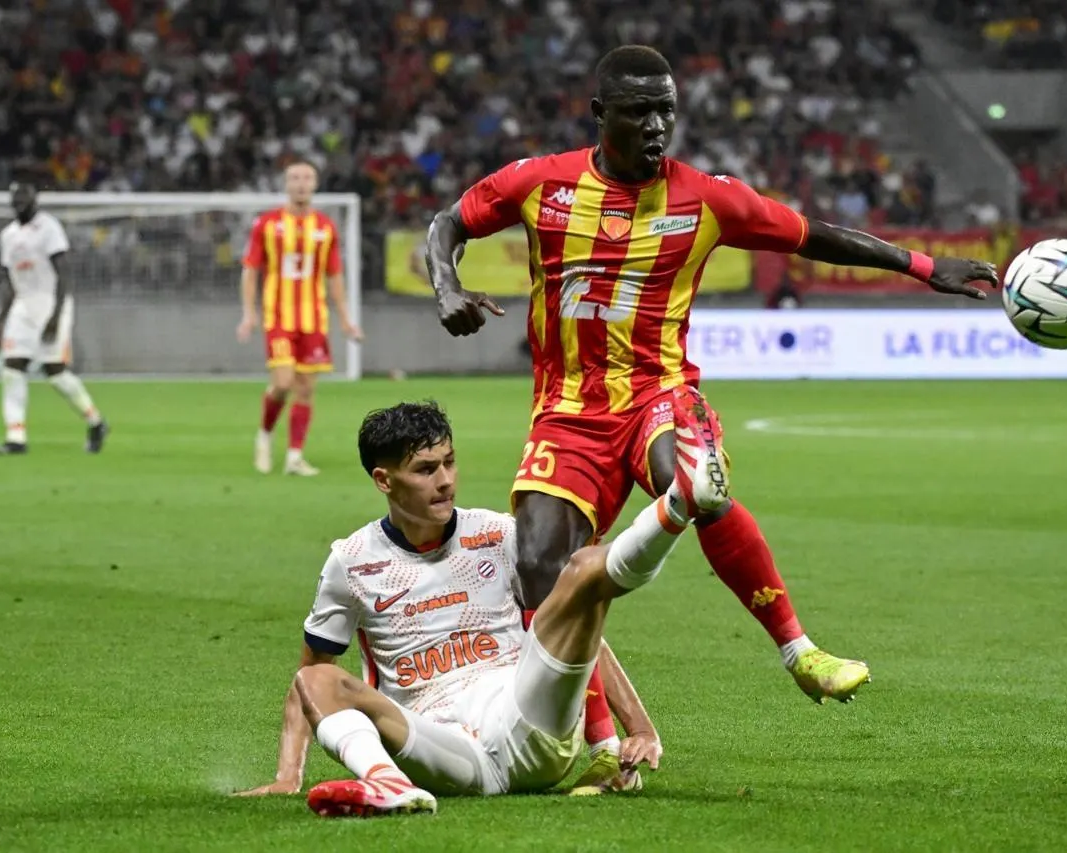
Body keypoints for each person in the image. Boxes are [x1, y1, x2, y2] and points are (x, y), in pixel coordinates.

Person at [425, 44, 998, 788]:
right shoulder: (541, 183)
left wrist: (922, 267)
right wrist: (446, 287)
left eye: (666, 110)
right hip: (568, 412)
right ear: (600, 115)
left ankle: (800, 651)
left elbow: (810, 233)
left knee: (695, 480)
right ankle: (603, 744)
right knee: (539, 568)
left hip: (659, 392)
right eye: (638, 112)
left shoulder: (705, 198)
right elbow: (448, 223)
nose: (656, 126)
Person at [237, 389, 796, 815]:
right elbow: (310, 682)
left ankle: (678, 505)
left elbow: (579, 636)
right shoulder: (352, 560)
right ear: (385, 480)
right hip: (437, 747)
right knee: (315, 678)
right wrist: (289, 775)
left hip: (527, 719)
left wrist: (640, 728)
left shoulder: (496, 534)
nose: (445, 481)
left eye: (449, 462)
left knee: (580, 571)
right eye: (426, 470)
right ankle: (389, 784)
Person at [237, 161, 363, 477]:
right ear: (286, 184)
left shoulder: (325, 227)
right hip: (279, 317)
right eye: (295, 178)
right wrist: (249, 313)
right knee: (282, 384)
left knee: (305, 389)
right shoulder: (267, 224)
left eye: (307, 178)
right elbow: (250, 271)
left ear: (315, 184)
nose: (301, 183)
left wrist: (346, 319)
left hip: (314, 320)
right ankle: (265, 434)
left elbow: (335, 277)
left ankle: (294, 456)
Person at [0, 182, 109, 456]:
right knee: (11, 368)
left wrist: (56, 315)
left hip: (50, 302)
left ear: (35, 201)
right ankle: (15, 438)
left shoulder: (49, 227)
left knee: (54, 373)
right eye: (16, 200)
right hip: (23, 305)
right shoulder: (7, 235)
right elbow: (10, 282)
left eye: (25, 199)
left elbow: (63, 273)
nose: (20, 204)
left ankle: (96, 421)